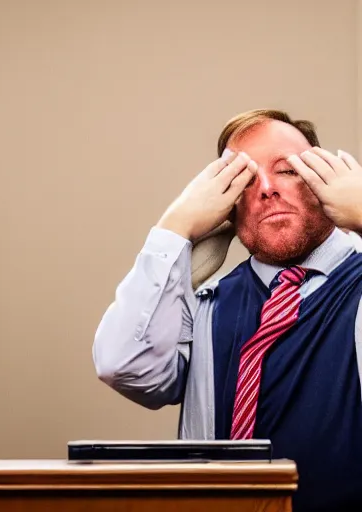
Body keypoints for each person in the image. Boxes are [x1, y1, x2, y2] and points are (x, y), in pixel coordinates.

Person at [92, 109, 362, 512]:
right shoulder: (208, 302)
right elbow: (124, 366)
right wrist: (175, 229)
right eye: (244, 180)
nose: (267, 188)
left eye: (288, 170)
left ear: (326, 182)